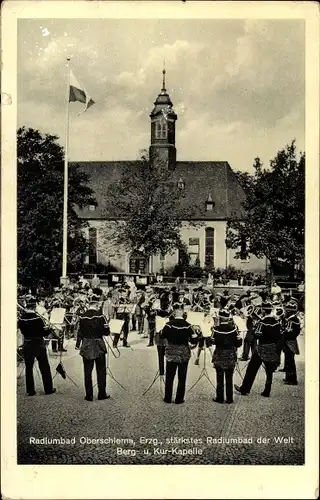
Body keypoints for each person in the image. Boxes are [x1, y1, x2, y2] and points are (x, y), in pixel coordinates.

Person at [234, 301, 282, 398]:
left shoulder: (262, 322)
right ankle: (267, 390)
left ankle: (245, 389)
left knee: (252, 369)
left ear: (263, 311)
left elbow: (256, 335)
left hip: (262, 348)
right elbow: (279, 336)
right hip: (272, 348)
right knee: (269, 371)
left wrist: (256, 328)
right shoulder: (277, 323)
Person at [160, 303, 199, 404]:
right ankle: (179, 399)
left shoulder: (168, 325)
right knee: (182, 377)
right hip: (183, 353)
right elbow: (194, 340)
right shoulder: (188, 325)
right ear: (183, 314)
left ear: (174, 314)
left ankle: (167, 398)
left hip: (171, 352)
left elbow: (162, 336)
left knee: (169, 376)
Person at [18, 296, 56, 396]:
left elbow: (22, 331)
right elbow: (43, 333)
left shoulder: (21, 319)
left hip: (27, 343)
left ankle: (30, 391)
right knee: (44, 366)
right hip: (38, 344)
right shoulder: (37, 318)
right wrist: (50, 328)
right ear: (35, 307)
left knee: (29, 368)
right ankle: (48, 389)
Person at [76, 299, 110, 401]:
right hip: (98, 344)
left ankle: (89, 395)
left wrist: (78, 345)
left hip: (86, 345)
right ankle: (102, 393)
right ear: (96, 304)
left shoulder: (82, 316)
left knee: (87, 371)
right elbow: (106, 332)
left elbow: (80, 332)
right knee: (101, 370)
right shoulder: (100, 316)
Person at [211, 309, 242, 403]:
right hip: (230, 355)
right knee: (229, 378)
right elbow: (238, 344)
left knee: (219, 378)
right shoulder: (234, 329)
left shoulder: (215, 329)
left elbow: (211, 342)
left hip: (219, 354)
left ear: (219, 318)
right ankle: (229, 398)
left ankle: (219, 398)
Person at [283, 299, 301, 385]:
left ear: (289, 312)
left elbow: (287, 332)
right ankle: (288, 377)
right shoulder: (294, 319)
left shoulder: (291, 321)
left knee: (290, 361)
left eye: (286, 311)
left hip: (290, 342)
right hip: (291, 342)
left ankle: (292, 379)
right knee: (288, 360)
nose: (285, 312)